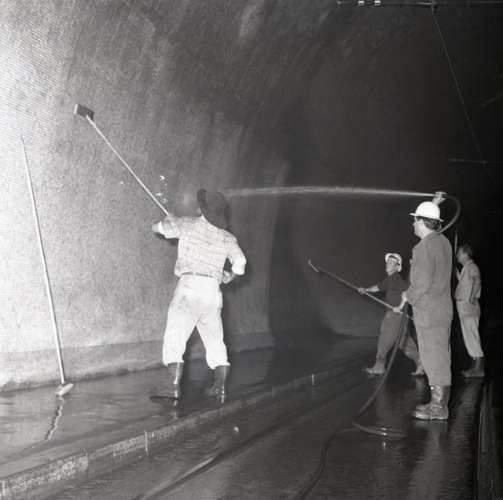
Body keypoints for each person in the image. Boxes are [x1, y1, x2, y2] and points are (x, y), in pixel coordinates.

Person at [152, 189, 246, 401]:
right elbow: (241, 262)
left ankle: (173, 387)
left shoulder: (187, 224)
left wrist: (170, 221)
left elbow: (156, 228)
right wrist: (230, 276)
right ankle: (220, 387)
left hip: (190, 287)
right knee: (215, 340)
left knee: (176, 335)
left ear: (202, 209)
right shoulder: (227, 237)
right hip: (213, 291)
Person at [395, 201, 453, 421]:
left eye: (415, 220)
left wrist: (406, 295)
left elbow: (421, 283)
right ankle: (439, 403)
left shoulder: (422, 248)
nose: (413, 224)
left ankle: (439, 407)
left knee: (432, 357)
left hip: (428, 312)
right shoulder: (444, 242)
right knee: (440, 355)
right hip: (442, 309)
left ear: (422, 222)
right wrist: (434, 204)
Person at [358, 253, 423, 376]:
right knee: (404, 343)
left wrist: (400, 307)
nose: (388, 264)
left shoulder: (396, 278)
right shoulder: (390, 279)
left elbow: (407, 292)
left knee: (384, 340)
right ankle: (421, 362)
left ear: (397, 267)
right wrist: (366, 290)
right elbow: (378, 287)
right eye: (388, 262)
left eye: (391, 262)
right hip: (399, 318)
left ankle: (379, 367)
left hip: (394, 316)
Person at [455, 243, 484, 378]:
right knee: (469, 337)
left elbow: (477, 280)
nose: (457, 255)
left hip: (468, 306)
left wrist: (471, 297)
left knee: (472, 337)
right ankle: (475, 368)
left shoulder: (472, 267)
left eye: (459, 252)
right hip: (464, 307)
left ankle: (478, 369)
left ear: (465, 254)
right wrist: (454, 270)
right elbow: (464, 282)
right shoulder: (466, 269)